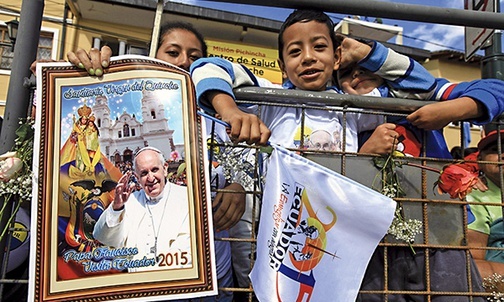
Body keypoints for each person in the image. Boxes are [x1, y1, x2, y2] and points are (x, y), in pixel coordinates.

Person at [190, 8, 489, 301]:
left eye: (319, 47)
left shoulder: (351, 106)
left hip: (336, 231)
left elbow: (421, 87)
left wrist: (368, 54)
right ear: (282, 67)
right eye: (295, 52)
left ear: (336, 58)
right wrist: (230, 109)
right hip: (285, 228)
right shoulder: (270, 98)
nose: (307, 57)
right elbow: (206, 66)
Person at [69, 21, 245, 301]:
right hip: (145, 279)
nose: (184, 61)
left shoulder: (215, 114)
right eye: (173, 52)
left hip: (211, 274)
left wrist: (238, 187)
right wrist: (74, 77)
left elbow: (239, 166)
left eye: (195, 56)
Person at [334, 41, 504, 159]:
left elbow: (498, 89)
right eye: (346, 72)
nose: (357, 73)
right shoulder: (333, 117)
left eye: (367, 66)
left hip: (440, 204)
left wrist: (448, 111)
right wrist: (365, 154)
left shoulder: (419, 94)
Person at [93, 147, 191, 272]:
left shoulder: (186, 198)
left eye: (154, 170)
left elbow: (187, 250)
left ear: (165, 169)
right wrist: (117, 207)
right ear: (137, 178)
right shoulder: (130, 201)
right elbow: (102, 236)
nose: (150, 178)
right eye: (144, 173)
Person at [467, 130, 504, 289]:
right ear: (480, 160)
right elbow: (474, 265)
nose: (503, 155)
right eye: (495, 151)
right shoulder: (473, 197)